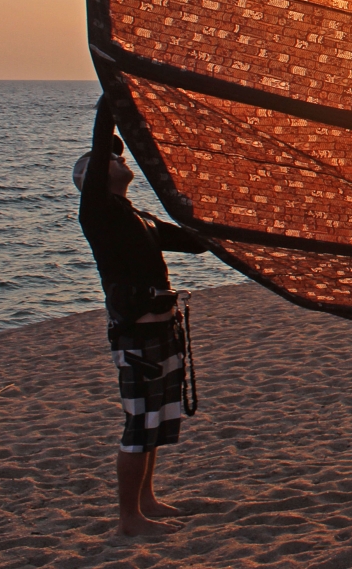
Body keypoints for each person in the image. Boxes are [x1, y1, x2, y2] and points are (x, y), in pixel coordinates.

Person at [76, 94, 208, 537]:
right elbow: (101, 149)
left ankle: (146, 501)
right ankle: (129, 518)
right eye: (105, 162)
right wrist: (111, 99)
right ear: (90, 179)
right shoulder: (96, 212)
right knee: (138, 424)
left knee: (155, 420)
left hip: (162, 329)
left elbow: (198, 241)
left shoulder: (141, 218)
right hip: (134, 333)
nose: (116, 160)